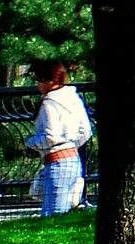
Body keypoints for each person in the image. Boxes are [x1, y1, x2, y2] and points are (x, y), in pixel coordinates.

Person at [25, 62, 91, 217]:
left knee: (53, 214)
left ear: (50, 82)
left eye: (40, 80)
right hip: (73, 160)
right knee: (64, 211)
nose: (37, 85)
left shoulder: (49, 102)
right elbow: (85, 131)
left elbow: (51, 137)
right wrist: (70, 145)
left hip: (56, 162)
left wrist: (30, 142)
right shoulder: (73, 98)